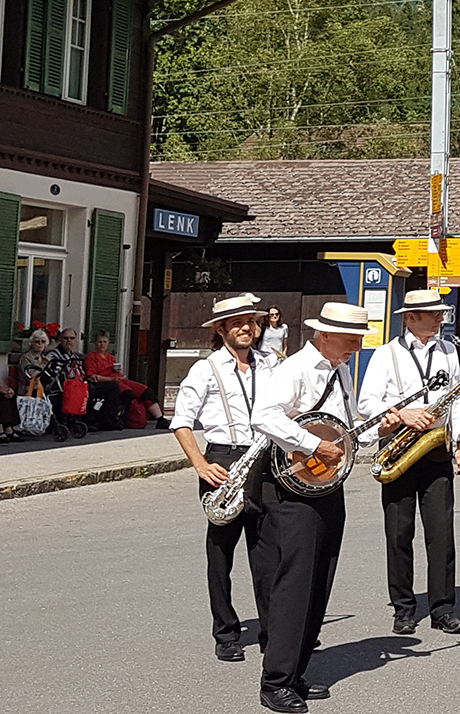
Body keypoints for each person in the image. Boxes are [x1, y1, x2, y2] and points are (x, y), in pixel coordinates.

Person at [252, 302, 372, 713]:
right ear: (324, 335)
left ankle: (296, 669)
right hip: (290, 485)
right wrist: (310, 444)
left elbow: (345, 425)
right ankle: (276, 680)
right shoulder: (294, 369)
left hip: (324, 484)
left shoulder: (339, 371)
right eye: (351, 339)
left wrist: (379, 428)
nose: (357, 346)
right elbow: (263, 416)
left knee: (321, 576)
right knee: (295, 580)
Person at [358, 289, 460, 636]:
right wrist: (403, 413)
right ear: (410, 317)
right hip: (399, 446)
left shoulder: (449, 350)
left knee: (441, 533)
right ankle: (404, 609)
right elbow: (366, 403)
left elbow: (456, 396)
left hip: (436, 447)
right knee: (399, 532)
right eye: (432, 313)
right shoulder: (386, 354)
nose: (441, 317)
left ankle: (442, 608)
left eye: (440, 312)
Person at [170, 295, 276, 662]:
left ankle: (271, 630)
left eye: (252, 321)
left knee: (268, 554)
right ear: (221, 329)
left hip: (263, 459)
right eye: (238, 323)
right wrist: (200, 464)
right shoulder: (205, 369)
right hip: (222, 460)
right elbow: (181, 421)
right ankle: (226, 632)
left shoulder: (269, 365)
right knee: (221, 553)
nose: (247, 328)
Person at [87, 331, 166, 429]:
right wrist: (112, 378)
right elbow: (92, 375)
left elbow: (118, 373)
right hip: (108, 382)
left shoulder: (110, 357)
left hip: (119, 379)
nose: (102, 344)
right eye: (100, 342)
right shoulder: (92, 357)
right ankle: (121, 418)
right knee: (128, 393)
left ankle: (160, 419)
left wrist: (119, 371)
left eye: (104, 342)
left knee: (146, 391)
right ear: (95, 343)